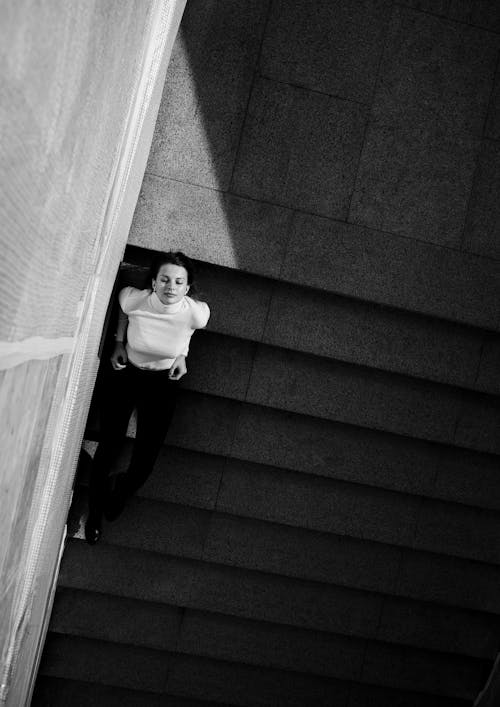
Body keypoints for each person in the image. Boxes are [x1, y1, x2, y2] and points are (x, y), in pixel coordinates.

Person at [85, 250, 210, 544]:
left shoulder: (197, 312)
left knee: (145, 461)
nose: (171, 287)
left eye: (179, 282)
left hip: (163, 383)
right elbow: (123, 310)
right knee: (109, 446)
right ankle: (93, 514)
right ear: (153, 282)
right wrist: (118, 342)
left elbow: (189, 326)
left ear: (187, 288)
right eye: (164, 279)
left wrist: (183, 353)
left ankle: (121, 491)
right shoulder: (135, 299)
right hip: (128, 374)